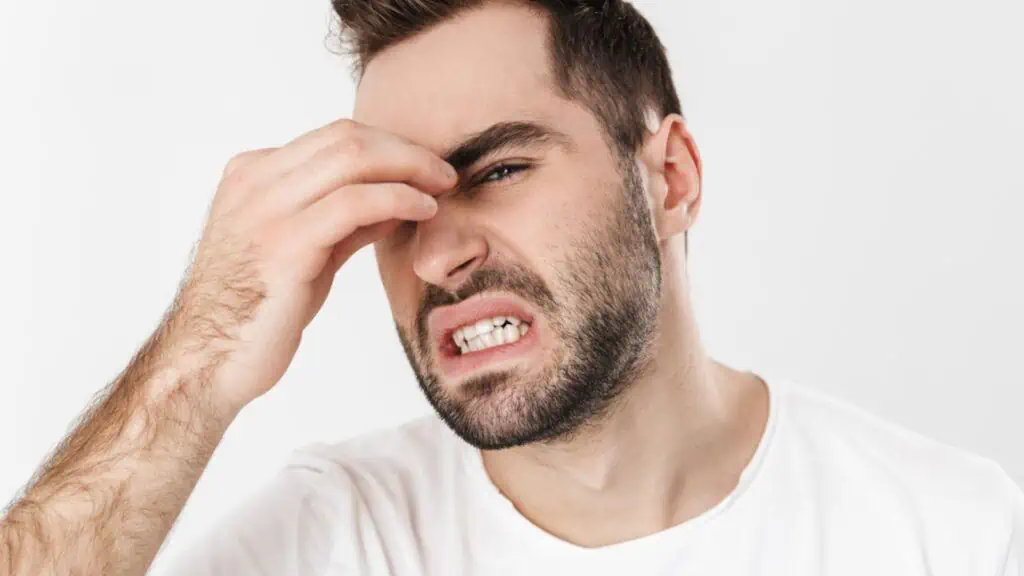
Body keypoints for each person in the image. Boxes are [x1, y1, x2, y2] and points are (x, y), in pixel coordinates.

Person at [2, 0, 1022, 574]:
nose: (437, 256)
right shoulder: (343, 537)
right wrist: (199, 357)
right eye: (395, 207)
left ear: (668, 178)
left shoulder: (956, 536)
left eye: (495, 171)